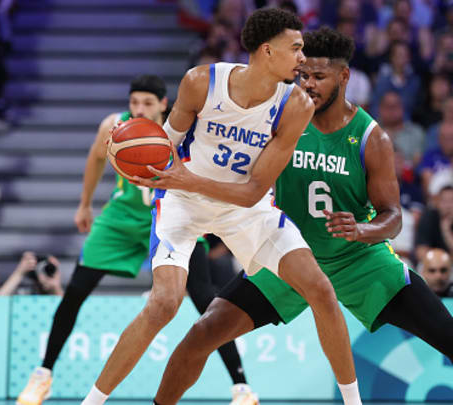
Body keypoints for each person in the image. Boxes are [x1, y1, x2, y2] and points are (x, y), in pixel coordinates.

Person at [147, 26, 453, 405]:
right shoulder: (283, 118)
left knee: (451, 335)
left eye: (319, 77)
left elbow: (394, 218)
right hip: (289, 256)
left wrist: (363, 229)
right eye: (304, 75)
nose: (308, 85)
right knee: (201, 334)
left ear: (344, 76)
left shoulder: (371, 138)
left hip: (358, 260)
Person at [90, 10, 361, 405]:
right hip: (183, 204)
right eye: (297, 48)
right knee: (164, 303)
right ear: (268, 51)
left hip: (244, 208)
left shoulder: (296, 105)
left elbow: (253, 192)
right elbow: (164, 151)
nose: (303, 58)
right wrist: (133, 159)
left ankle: (353, 402)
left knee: (320, 289)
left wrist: (187, 178)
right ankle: (92, 402)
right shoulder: (202, 82)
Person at [17, 75, 254, 405]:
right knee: (75, 291)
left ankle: (241, 388)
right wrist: (85, 204)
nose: (138, 109)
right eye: (134, 102)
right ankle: (42, 375)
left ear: (163, 104)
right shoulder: (115, 127)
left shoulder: (185, 130)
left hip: (172, 217)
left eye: (146, 103)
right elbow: (96, 158)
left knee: (204, 296)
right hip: (122, 219)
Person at [0, 252, 64, 296]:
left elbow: (70, 311)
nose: (47, 273)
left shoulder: (62, 295)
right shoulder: (27, 294)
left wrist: (56, 288)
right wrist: (19, 273)